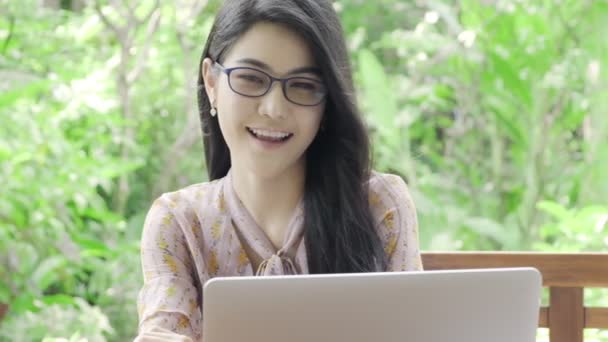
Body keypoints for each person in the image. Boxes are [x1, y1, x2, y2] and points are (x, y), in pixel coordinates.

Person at [134, 0, 422, 341]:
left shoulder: (378, 204)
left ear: (327, 104)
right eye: (251, 79)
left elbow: (416, 331)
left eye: (302, 86)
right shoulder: (178, 222)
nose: (273, 109)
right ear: (211, 82)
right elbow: (162, 331)